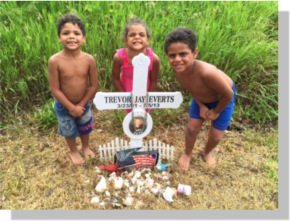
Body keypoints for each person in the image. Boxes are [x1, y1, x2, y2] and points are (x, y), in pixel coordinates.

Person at [164, 28, 236, 170]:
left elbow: (228, 94)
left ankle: (206, 153)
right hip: (200, 99)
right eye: (172, 56)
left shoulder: (207, 73)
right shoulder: (180, 72)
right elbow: (193, 89)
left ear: (194, 53)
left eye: (183, 54)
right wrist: (202, 105)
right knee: (192, 128)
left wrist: (216, 111)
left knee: (216, 136)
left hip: (223, 100)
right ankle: (187, 153)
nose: (177, 59)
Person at [48, 14, 98, 164]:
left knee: (85, 127)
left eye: (76, 33)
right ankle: (74, 151)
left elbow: (93, 85)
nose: (71, 37)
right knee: (68, 130)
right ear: (59, 37)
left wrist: (81, 105)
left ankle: (86, 147)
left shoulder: (89, 59)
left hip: (83, 105)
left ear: (83, 38)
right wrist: (71, 107)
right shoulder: (55, 61)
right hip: (64, 107)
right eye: (66, 33)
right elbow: (55, 90)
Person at [112, 18, 160, 113]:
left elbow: (154, 81)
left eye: (142, 35)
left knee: (143, 118)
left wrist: (148, 99)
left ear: (147, 40)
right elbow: (115, 78)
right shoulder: (119, 57)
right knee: (130, 117)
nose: (137, 37)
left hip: (145, 94)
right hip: (127, 92)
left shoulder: (154, 59)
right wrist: (124, 97)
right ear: (126, 40)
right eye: (132, 35)